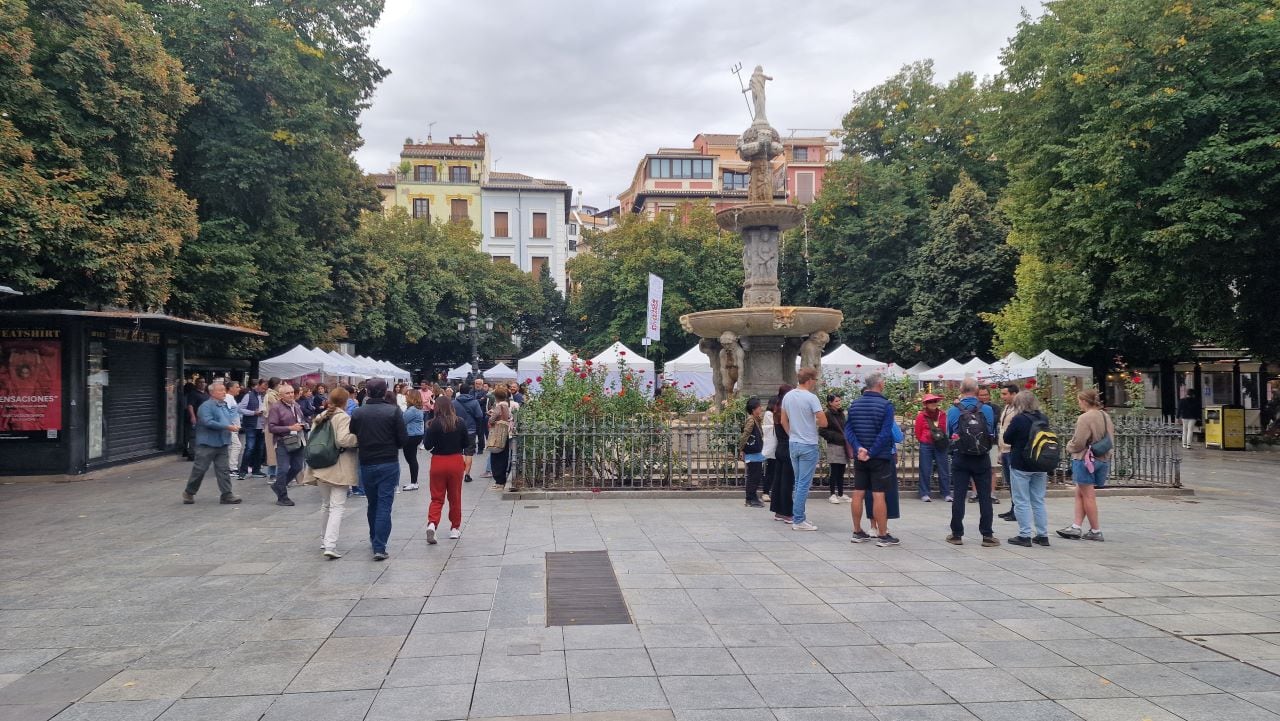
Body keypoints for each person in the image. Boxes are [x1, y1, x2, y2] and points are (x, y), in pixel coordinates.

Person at [350, 378, 406, 560]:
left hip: (366, 461)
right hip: (388, 461)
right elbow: (402, 439)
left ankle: (374, 537)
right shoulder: (393, 411)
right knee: (384, 505)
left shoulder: (359, 413)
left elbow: (354, 432)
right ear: (385, 392)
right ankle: (379, 545)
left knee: (373, 503)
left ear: (367, 392)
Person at [300, 387, 359, 559]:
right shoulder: (342, 417)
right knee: (337, 506)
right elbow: (343, 439)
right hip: (338, 465)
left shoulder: (321, 416)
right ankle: (331, 545)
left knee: (326, 504)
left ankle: (324, 540)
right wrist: (358, 438)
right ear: (345, 401)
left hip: (319, 465)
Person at [845, 372, 899, 546]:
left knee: (858, 492)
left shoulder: (855, 404)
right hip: (879, 457)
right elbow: (885, 433)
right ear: (880, 384)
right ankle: (883, 535)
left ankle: (857, 531)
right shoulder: (886, 405)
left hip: (860, 456)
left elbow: (849, 430)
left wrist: (859, 448)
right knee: (878, 494)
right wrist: (871, 451)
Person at [946, 379, 999, 547]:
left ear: (961, 390)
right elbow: (991, 432)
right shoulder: (988, 409)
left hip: (960, 456)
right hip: (981, 456)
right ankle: (987, 535)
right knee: (985, 496)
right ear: (977, 391)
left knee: (959, 496)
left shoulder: (953, 411)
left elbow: (949, 433)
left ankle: (956, 534)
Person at [1060, 388, 1112, 541]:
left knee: (1088, 495)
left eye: (1079, 402)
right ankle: (1076, 526)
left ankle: (1096, 530)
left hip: (1085, 459)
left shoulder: (1085, 418)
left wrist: (1069, 446)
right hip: (1101, 458)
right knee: (1080, 492)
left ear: (1084, 401)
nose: (1079, 405)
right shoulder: (1105, 416)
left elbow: (1079, 442)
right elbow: (1110, 438)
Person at [1002, 390, 1051, 547]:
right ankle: (1043, 535)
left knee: (1021, 500)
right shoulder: (1043, 418)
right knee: (1038, 499)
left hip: (1021, 464)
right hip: (1040, 463)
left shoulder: (1019, 419)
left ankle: (1025, 535)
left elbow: (1007, 438)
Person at [781, 368, 826, 531]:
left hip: (794, 443)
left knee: (799, 482)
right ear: (810, 381)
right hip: (808, 444)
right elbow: (823, 422)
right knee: (803, 484)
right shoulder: (811, 398)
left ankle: (798, 516)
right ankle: (798, 519)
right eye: (815, 380)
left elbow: (782, 419)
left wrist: (791, 433)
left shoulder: (788, 396)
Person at [182, 382, 242, 505]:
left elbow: (230, 417)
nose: (224, 392)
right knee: (200, 469)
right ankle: (189, 492)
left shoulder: (224, 405)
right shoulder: (206, 406)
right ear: (212, 393)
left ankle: (227, 494)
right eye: (220, 390)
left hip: (222, 443)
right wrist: (227, 427)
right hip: (207, 443)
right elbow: (208, 422)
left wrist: (235, 410)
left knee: (223, 470)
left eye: (224, 390)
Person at [423, 396, 470, 544]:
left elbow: (427, 445)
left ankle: (432, 523)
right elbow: (466, 443)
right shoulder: (460, 422)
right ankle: (454, 529)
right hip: (455, 461)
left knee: (437, 497)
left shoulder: (434, 424)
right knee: (455, 496)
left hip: (438, 461)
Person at [267, 384, 306, 507]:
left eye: (292, 392)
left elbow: (301, 419)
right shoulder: (276, 407)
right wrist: (290, 428)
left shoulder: (296, 405)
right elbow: (272, 427)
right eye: (287, 393)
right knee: (283, 469)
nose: (291, 395)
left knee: (297, 466)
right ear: (280, 396)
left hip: (297, 440)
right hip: (283, 441)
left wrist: (304, 425)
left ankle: (278, 485)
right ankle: (282, 497)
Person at [914, 394, 951, 503]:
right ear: (926, 404)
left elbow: (944, 428)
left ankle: (946, 493)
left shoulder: (942, 414)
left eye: (935, 401)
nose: (933, 403)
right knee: (925, 469)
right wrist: (924, 439)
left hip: (940, 444)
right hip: (926, 444)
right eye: (930, 401)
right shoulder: (921, 416)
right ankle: (924, 493)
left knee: (944, 469)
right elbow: (918, 431)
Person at [768, 385, 794, 522]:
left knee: (778, 481)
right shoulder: (786, 409)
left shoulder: (776, 408)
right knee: (787, 482)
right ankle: (787, 512)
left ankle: (778, 511)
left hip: (780, 447)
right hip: (788, 446)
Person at [820, 393, 850, 504]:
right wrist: (836, 437)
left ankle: (841, 493)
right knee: (834, 471)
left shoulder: (841, 413)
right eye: (836, 401)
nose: (839, 403)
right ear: (830, 402)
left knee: (841, 471)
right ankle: (832, 494)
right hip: (834, 445)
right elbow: (822, 431)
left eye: (839, 400)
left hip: (843, 445)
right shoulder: (827, 414)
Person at [997, 383, 1020, 522]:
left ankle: (1017, 510)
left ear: (1014, 394)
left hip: (1012, 449)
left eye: (1005, 394)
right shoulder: (1006, 408)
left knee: (1016, 482)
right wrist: (1000, 451)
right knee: (1010, 482)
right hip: (1004, 449)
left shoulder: (1019, 409)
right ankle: (1013, 508)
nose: (1002, 397)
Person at [454, 382, 486, 483]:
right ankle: (467, 474)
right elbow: (480, 415)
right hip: (470, 430)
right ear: (469, 391)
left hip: (457, 429)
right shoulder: (474, 402)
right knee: (469, 453)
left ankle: (457, 473)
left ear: (460, 391)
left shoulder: (454, 402)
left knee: (458, 452)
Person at [237, 379, 268, 478]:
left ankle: (256, 470)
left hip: (262, 426)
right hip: (251, 425)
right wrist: (253, 413)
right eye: (262, 388)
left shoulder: (265, 396)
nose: (264, 390)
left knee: (260, 448)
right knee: (250, 448)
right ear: (257, 385)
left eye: (265, 388)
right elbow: (240, 409)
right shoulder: (249, 395)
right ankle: (243, 471)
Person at [739, 397, 766, 507]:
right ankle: (750, 498)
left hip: (756, 452)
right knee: (753, 476)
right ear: (754, 409)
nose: (761, 408)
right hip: (752, 452)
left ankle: (753, 496)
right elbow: (745, 435)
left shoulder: (756, 419)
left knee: (756, 475)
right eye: (759, 407)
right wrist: (741, 450)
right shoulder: (751, 420)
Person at [488, 386, 515, 491]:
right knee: (503, 455)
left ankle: (499, 481)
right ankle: (502, 479)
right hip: (505, 433)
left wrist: (491, 415)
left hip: (498, 433)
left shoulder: (499, 406)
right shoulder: (507, 405)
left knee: (496, 456)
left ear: (496, 396)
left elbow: (492, 419)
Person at [401, 389, 425, 491]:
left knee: (411, 459)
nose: (406, 397)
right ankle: (414, 481)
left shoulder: (412, 410)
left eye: (407, 395)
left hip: (411, 435)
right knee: (412, 458)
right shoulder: (417, 408)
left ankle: (414, 482)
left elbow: (402, 421)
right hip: (417, 435)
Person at [223, 381, 244, 480]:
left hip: (232, 427)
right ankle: (232, 468)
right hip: (230, 427)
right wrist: (230, 425)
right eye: (237, 387)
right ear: (230, 388)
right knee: (236, 445)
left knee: (232, 446)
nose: (239, 388)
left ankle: (229, 467)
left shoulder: (231, 398)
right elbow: (225, 411)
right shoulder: (228, 398)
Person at [184, 379, 209, 461]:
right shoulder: (193, 394)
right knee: (193, 437)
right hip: (197, 419)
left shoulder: (206, 394)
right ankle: (192, 454)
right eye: (200, 382)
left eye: (203, 382)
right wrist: (193, 416)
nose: (202, 384)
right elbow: (190, 406)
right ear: (196, 384)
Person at [263, 377, 281, 482]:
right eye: (281, 384)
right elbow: (278, 406)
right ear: (276, 384)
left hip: (278, 426)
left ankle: (276, 473)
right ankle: (272, 474)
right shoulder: (270, 395)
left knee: (278, 450)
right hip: (271, 426)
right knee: (271, 450)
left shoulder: (276, 395)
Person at [760, 395, 776, 504]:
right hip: (773, 447)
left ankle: (773, 491)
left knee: (775, 471)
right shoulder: (769, 414)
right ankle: (765, 492)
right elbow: (776, 425)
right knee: (771, 470)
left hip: (778, 446)